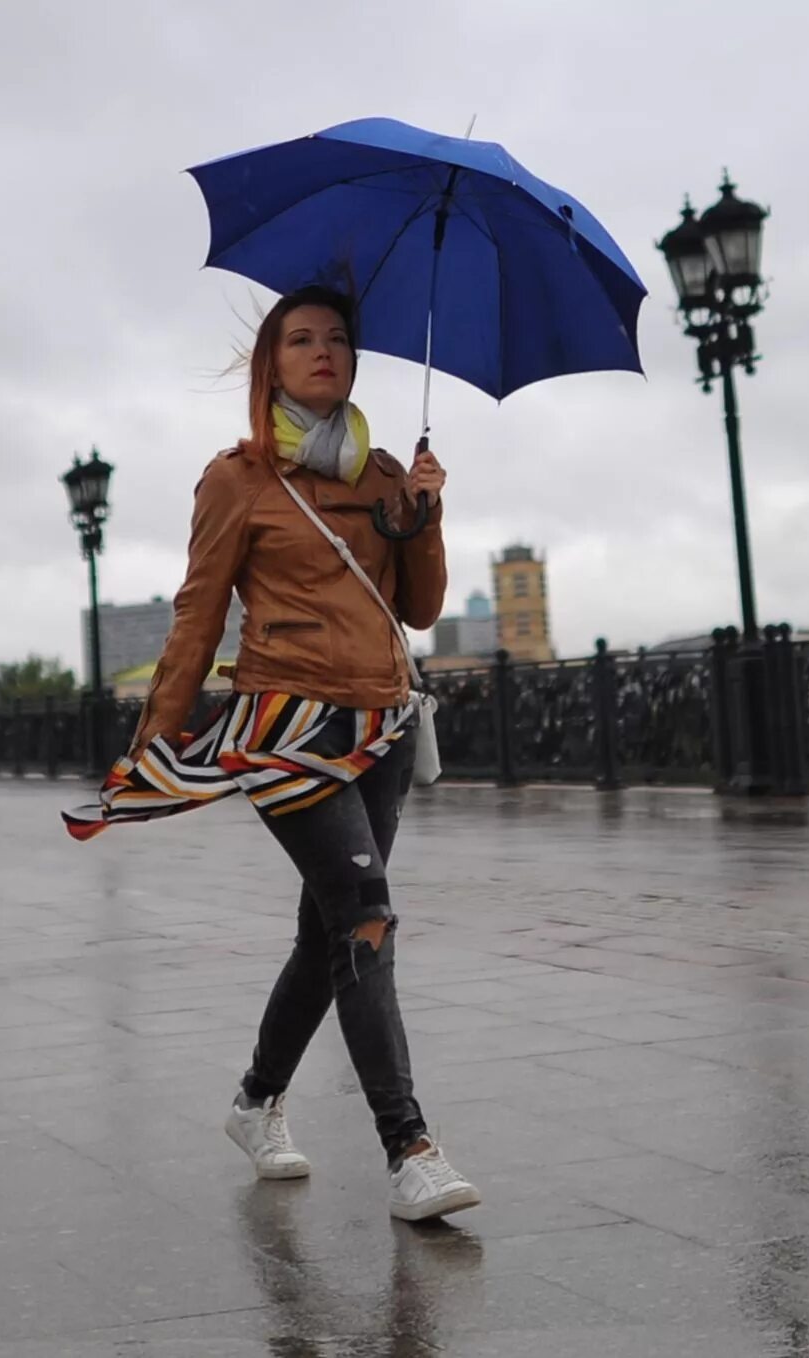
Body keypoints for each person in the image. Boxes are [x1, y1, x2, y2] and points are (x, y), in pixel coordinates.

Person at [65, 284, 478, 1224]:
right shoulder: (239, 477)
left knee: (325, 931)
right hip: (286, 728)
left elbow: (418, 610)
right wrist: (156, 738)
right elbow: (198, 610)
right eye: (302, 339)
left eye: (338, 338)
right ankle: (409, 1147)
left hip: (380, 723)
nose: (324, 351)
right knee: (366, 915)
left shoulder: (382, 475)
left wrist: (425, 514)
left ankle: (256, 1102)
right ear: (272, 365)